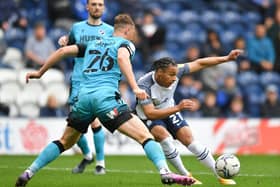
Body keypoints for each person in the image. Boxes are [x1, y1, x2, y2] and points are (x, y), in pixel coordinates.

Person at [15, 14, 195, 187]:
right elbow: (122, 57)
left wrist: (40, 72)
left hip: (83, 99)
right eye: (133, 31)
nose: (134, 35)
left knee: (65, 141)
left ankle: (29, 172)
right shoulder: (125, 44)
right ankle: (164, 172)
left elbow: (62, 51)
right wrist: (134, 87)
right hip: (106, 99)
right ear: (128, 29)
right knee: (146, 137)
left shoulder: (91, 43)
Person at [135, 49, 243, 185]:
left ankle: (220, 175)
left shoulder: (176, 70)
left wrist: (226, 59)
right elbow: (150, 112)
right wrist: (178, 108)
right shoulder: (144, 85)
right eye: (171, 75)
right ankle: (186, 176)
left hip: (169, 109)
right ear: (160, 72)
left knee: (189, 139)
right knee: (165, 139)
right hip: (149, 116)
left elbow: (200, 63)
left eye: (175, 74)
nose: (175, 78)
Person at [58, 0, 113, 174]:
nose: (97, 7)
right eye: (94, 4)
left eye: (100, 4)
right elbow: (70, 46)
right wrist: (64, 41)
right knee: (75, 124)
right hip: (78, 81)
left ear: (103, 8)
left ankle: (100, 163)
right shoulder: (77, 28)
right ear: (87, 7)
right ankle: (88, 155)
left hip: (98, 82)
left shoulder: (110, 31)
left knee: (96, 122)